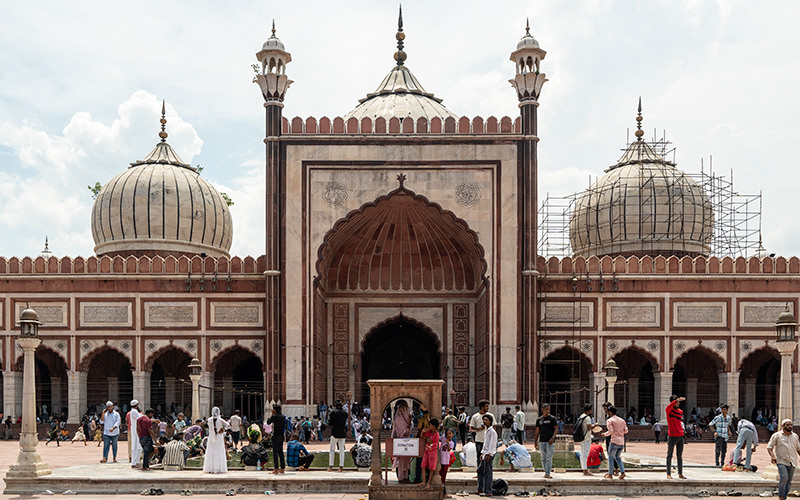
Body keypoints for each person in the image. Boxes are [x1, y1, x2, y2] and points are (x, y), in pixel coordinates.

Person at [767, 419, 800, 500]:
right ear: (783, 426)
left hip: (792, 461)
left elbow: (798, 449)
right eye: (788, 425)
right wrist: (773, 456)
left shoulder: (795, 436)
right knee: (784, 477)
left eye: (791, 425)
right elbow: (769, 447)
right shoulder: (777, 435)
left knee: (789, 481)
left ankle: (784, 497)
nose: (790, 426)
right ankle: (781, 496)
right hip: (781, 461)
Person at [603, 405, 628, 480]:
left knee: (611, 457)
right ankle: (622, 472)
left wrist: (604, 434)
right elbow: (626, 430)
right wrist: (620, 432)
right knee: (617, 457)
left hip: (614, 441)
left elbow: (610, 431)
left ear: (610, 412)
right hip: (621, 442)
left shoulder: (610, 420)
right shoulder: (622, 420)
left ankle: (610, 474)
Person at [534, 403, 558, 479]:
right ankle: (546, 470)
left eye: (549, 409)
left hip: (550, 441)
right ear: (542, 410)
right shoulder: (539, 420)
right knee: (543, 457)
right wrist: (535, 442)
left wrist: (553, 438)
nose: (548, 411)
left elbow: (556, 429)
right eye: (546, 409)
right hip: (542, 441)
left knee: (549, 457)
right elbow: (537, 431)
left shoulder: (552, 419)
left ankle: (547, 473)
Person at [666, 395, 687, 479]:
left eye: (678, 402)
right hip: (672, 435)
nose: (678, 403)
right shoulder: (669, 411)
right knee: (669, 455)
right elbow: (669, 406)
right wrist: (677, 400)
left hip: (680, 435)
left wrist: (682, 430)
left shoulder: (680, 411)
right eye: (676, 402)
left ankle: (680, 473)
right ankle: (668, 474)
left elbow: (679, 422)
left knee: (679, 455)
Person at [390, 399, 412, 481]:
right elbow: (405, 432)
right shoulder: (399, 419)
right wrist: (409, 423)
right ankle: (402, 478)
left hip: (405, 444)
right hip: (401, 443)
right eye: (405, 409)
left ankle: (405, 477)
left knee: (405, 462)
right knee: (402, 462)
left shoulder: (403, 419)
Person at [203, 407, 229, 473]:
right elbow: (228, 425)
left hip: (214, 437)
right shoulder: (217, 420)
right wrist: (222, 429)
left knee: (214, 451)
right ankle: (215, 468)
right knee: (216, 451)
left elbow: (227, 425)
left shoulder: (212, 419)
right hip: (215, 437)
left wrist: (222, 429)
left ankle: (213, 468)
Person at [478, 414, 497, 496]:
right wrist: (482, 453)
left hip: (489, 454)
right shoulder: (486, 431)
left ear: (490, 421)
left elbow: (492, 444)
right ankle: (481, 489)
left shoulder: (492, 432)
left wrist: (489, 454)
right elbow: (486, 444)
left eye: (486, 420)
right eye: (484, 420)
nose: (484, 422)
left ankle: (488, 490)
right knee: (480, 470)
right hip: (485, 453)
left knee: (488, 472)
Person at [420, 418, 440, 490]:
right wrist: (423, 432)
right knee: (423, 466)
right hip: (426, 451)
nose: (429, 426)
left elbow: (428, 440)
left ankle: (429, 482)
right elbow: (422, 436)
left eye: (430, 425)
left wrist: (426, 436)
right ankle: (424, 481)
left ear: (434, 426)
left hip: (433, 452)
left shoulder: (436, 434)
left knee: (432, 468)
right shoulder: (428, 432)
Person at [267, 404, 287, 474]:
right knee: (280, 452)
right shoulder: (283, 417)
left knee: (275, 452)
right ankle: (282, 468)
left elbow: (268, 422)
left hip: (275, 435)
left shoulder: (274, 416)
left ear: (274, 409)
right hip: (281, 435)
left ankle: (276, 469)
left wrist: (272, 414)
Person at [576, 404, 594, 475]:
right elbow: (589, 427)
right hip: (586, 438)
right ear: (589, 410)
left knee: (583, 454)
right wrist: (595, 425)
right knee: (585, 454)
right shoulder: (587, 418)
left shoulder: (581, 416)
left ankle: (584, 469)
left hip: (582, 437)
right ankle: (585, 470)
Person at [439, 429, 457, 497]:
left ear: (452, 434)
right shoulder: (443, 438)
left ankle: (444, 493)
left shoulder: (452, 442)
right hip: (440, 460)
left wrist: (448, 443)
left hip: (446, 461)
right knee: (440, 475)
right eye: (447, 434)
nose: (448, 435)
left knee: (443, 476)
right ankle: (442, 492)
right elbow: (438, 437)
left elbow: (449, 449)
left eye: (450, 433)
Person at [129, 400, 143, 468]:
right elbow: (141, 418)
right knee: (136, 446)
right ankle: (135, 462)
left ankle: (136, 461)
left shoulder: (134, 411)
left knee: (137, 446)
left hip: (135, 429)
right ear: (137, 405)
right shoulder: (134, 412)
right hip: (135, 430)